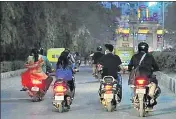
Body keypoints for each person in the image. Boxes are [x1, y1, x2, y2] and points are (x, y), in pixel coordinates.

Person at [128, 42, 160, 110]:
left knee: (134, 85)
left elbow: (129, 67)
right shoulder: (150, 56)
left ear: (138, 48)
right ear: (147, 49)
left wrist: (131, 69)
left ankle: (135, 98)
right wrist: (153, 70)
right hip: (148, 76)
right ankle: (151, 98)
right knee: (155, 84)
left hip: (137, 76)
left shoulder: (134, 56)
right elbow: (156, 67)